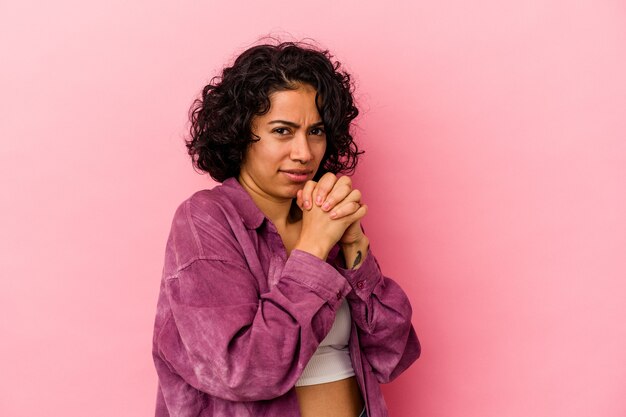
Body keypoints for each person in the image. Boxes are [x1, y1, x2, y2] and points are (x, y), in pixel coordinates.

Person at [151, 39, 420, 417]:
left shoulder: (321, 215)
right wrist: (312, 250)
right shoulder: (206, 219)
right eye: (282, 131)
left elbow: (391, 356)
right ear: (241, 133)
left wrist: (354, 245)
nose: (304, 153)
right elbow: (239, 371)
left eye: (316, 131)